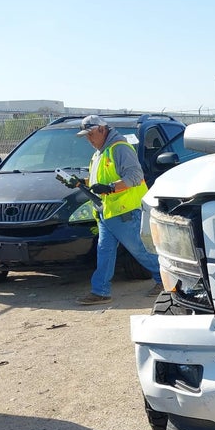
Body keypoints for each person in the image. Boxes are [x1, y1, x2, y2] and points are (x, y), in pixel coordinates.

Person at [74, 115, 163, 305]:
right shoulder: (100, 153)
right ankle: (100, 291)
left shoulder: (119, 148)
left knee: (140, 250)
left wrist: (110, 188)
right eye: (86, 136)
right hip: (108, 212)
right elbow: (100, 181)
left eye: (90, 134)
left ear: (101, 129)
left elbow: (135, 175)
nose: (89, 139)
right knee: (104, 252)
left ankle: (167, 281)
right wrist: (82, 183)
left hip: (125, 212)